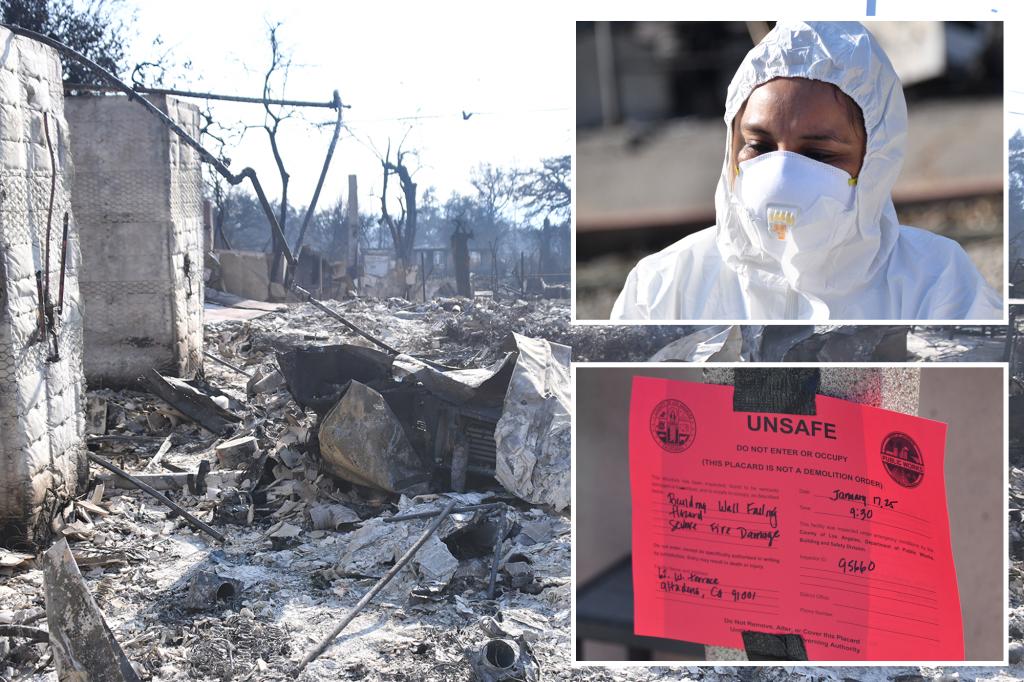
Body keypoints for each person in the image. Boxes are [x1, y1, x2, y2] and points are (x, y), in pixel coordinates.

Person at [611, 21, 1002, 321]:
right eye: (759, 147)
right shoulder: (664, 287)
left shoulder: (935, 283)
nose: (782, 175)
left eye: (817, 153)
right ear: (731, 148)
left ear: (874, 162)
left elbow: (982, 412)